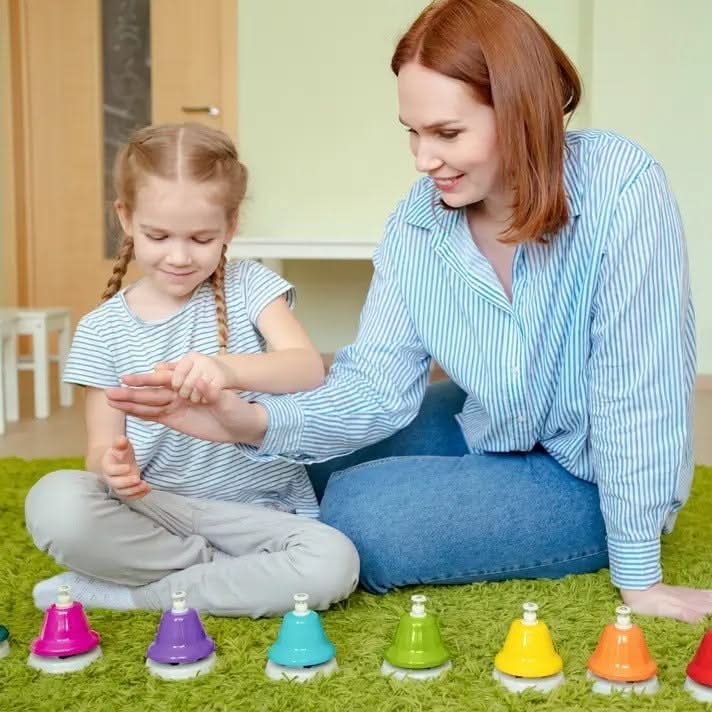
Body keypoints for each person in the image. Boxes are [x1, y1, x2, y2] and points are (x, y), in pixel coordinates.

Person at [107, 0, 712, 624]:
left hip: (587, 468)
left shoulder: (622, 186)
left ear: (523, 112)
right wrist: (247, 421)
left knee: (363, 516)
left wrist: (640, 575)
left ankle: (200, 567)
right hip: (497, 423)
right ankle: (197, 533)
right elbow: (374, 381)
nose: (424, 160)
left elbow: (637, 389)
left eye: (447, 134)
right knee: (296, 461)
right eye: (413, 133)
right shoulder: (418, 221)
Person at [24, 123, 359, 617]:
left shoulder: (252, 285)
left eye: (202, 238)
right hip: (159, 509)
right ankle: (223, 576)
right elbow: (99, 447)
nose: (179, 256)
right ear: (126, 218)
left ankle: (134, 595)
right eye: (158, 236)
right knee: (54, 502)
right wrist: (112, 470)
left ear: (231, 225)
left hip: (259, 514)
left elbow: (306, 368)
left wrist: (225, 368)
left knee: (334, 561)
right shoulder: (101, 329)